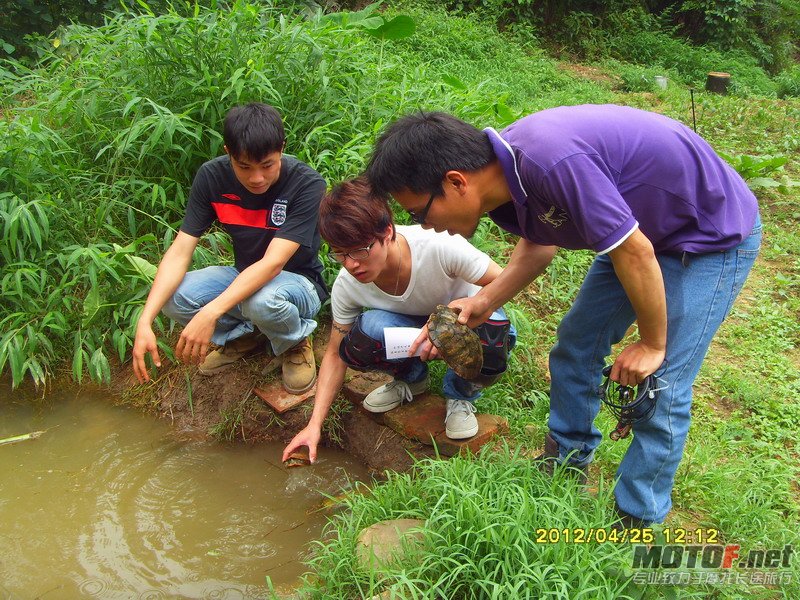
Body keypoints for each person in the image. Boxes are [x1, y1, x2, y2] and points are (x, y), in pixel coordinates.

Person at [364, 104, 761, 526]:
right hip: (636, 233)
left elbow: (635, 251)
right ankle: (567, 459)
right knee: (577, 346)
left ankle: (638, 516)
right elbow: (540, 243)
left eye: (419, 213)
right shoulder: (505, 177)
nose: (422, 226)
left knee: (661, 382)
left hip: (706, 235)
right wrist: (484, 302)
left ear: (456, 182)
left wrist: (651, 344)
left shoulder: (551, 162)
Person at [282, 178, 516, 463]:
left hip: (466, 323)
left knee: (493, 334)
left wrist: (449, 324)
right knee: (362, 339)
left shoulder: (438, 246)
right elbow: (334, 354)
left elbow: (505, 282)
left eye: (360, 250)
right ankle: (412, 380)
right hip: (410, 329)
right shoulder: (348, 283)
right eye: (340, 253)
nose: (351, 263)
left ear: (387, 232)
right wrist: (314, 425)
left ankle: (461, 395)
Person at [132, 103, 327, 394]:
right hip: (245, 276)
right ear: (228, 152)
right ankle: (246, 335)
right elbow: (181, 250)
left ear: (282, 148)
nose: (256, 178)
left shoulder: (306, 184)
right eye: (244, 166)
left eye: (268, 165)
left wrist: (211, 312)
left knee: (262, 300)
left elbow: (274, 264)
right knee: (172, 298)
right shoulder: (211, 177)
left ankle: (295, 341)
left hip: (299, 284)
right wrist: (145, 320)